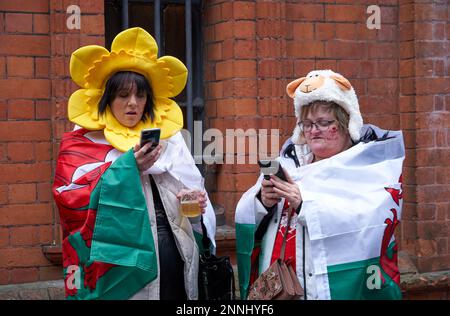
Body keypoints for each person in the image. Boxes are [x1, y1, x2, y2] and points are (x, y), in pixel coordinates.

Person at [53, 27, 216, 300]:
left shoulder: (171, 140)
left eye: (140, 96)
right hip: (121, 276)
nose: (133, 104)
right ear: (107, 99)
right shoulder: (82, 144)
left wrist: (196, 207)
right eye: (122, 96)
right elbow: (70, 201)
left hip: (178, 264)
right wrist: (130, 168)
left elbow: (190, 212)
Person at [235, 69, 405, 300]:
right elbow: (247, 216)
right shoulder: (289, 160)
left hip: (327, 287)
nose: (313, 130)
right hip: (281, 285)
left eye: (324, 123)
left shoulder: (366, 166)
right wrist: (263, 202)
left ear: (346, 123)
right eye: (307, 123)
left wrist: (305, 204)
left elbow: (369, 221)